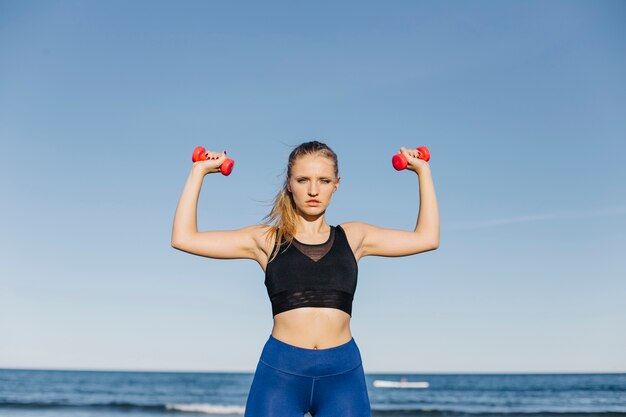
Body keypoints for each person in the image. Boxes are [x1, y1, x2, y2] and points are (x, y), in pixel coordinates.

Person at [171, 141, 439, 417]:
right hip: (281, 375)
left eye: (323, 180)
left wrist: (423, 172)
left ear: (337, 184)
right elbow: (184, 238)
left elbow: (427, 238)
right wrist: (198, 172)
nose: (313, 190)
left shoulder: (355, 237)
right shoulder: (266, 240)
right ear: (289, 183)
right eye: (303, 180)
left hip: (342, 376)